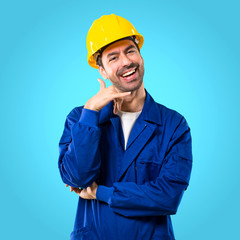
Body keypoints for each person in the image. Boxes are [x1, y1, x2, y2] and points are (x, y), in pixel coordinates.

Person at [58, 14, 192, 240]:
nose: (126, 62)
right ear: (102, 71)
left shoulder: (173, 125)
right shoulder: (79, 119)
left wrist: (101, 192)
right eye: (113, 57)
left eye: (130, 51)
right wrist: (91, 113)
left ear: (140, 55)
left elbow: (168, 196)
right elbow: (76, 178)